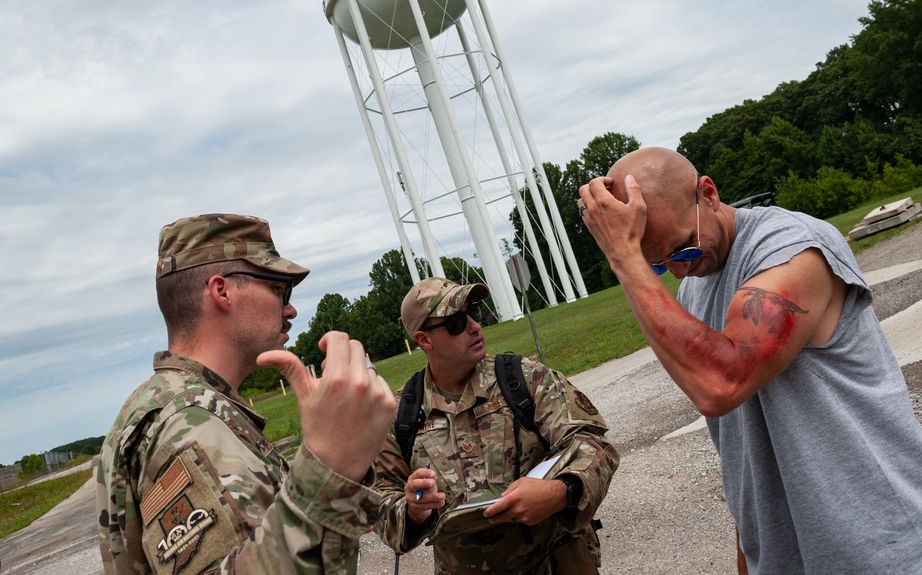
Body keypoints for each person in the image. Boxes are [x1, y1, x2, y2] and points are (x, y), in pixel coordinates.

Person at [578, 148, 922, 574]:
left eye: (682, 250)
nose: (680, 272)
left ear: (709, 193)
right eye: (658, 266)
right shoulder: (694, 289)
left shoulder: (793, 249)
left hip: (895, 554)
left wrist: (625, 259)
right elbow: (743, 450)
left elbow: (721, 384)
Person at [96, 213, 397, 575]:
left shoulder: (175, 404)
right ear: (221, 291)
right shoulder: (189, 423)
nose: (290, 309)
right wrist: (330, 471)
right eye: (278, 289)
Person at [373, 278, 619, 574]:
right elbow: (379, 502)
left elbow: (593, 445)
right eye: (455, 322)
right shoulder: (399, 414)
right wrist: (412, 511)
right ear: (424, 340)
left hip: (554, 563)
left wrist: (559, 491)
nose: (475, 326)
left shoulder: (523, 379)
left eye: (474, 311)